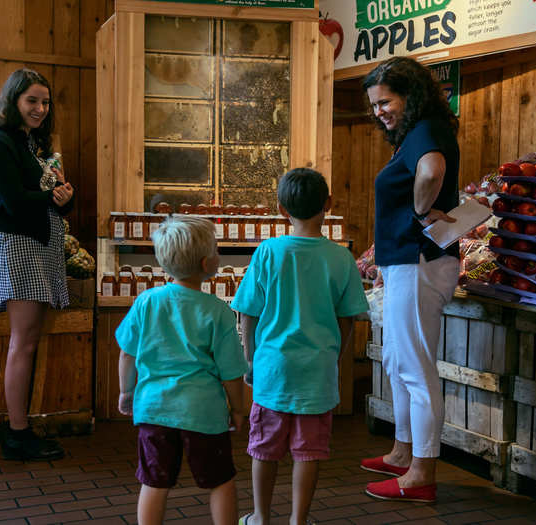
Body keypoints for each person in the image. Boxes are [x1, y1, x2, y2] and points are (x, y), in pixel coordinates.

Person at [231, 168, 368, 525]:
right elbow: (348, 317)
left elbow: (248, 312)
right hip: (318, 370)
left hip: (273, 366)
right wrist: (333, 356)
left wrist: (250, 357)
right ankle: (298, 520)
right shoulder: (340, 258)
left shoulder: (268, 252)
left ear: (280, 209)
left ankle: (260, 516)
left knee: (264, 446)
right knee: (309, 451)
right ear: (329, 205)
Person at [360, 56, 460, 503]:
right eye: (374, 105)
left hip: (419, 262)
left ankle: (422, 472)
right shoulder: (416, 134)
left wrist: (420, 212)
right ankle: (403, 453)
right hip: (406, 263)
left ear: (410, 95)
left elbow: (432, 171)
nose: (379, 110)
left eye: (385, 101)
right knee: (398, 363)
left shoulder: (425, 131)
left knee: (416, 370)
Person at [115, 216, 248, 525]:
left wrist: (126, 391)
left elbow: (127, 353)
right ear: (206, 263)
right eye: (216, 249)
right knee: (220, 480)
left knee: (154, 481)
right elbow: (230, 372)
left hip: (154, 408)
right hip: (204, 413)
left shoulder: (146, 301)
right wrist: (238, 408)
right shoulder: (218, 311)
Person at [0, 68, 74, 461]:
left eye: (45, 102)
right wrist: (54, 196)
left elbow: (40, 196)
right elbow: (14, 201)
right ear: (13, 100)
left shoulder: (26, 144)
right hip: (18, 247)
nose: (39, 108)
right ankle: (17, 433)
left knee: (30, 340)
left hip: (37, 245)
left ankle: (21, 426)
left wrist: (62, 195)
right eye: (32, 100)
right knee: (22, 342)